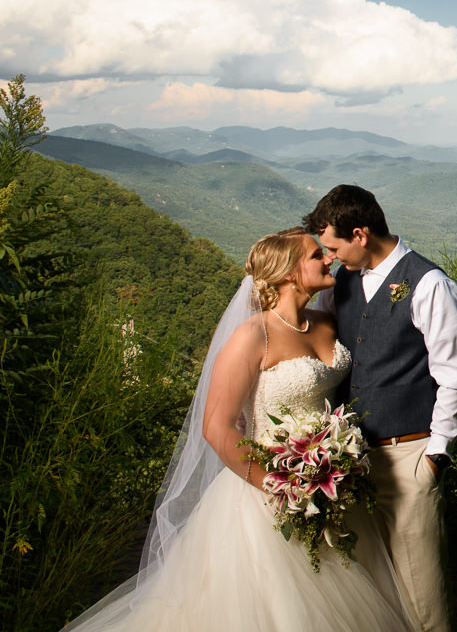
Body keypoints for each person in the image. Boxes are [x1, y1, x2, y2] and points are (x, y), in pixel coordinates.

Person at [61, 228, 416, 632]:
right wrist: (278, 484)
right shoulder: (253, 336)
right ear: (288, 273)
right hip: (267, 493)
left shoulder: (326, 322)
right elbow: (216, 426)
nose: (328, 258)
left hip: (331, 484)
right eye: (317, 255)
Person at [303, 185, 457, 632]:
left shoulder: (430, 283)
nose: (332, 257)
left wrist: (437, 457)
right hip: (352, 462)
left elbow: (454, 375)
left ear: (360, 234)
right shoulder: (341, 282)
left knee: (424, 596)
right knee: (370, 586)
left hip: (410, 456)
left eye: (335, 247)